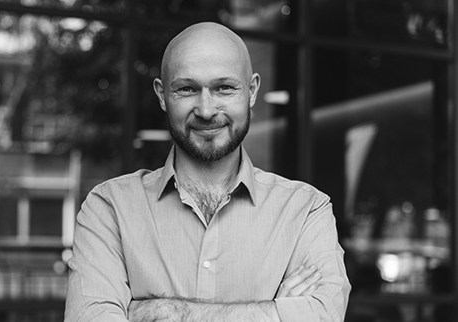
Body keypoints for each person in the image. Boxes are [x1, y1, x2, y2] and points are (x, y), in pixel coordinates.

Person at [64, 22, 350, 322]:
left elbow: (322, 316)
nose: (206, 110)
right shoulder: (108, 209)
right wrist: (277, 312)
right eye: (187, 89)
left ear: (251, 91)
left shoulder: (306, 210)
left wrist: (163, 312)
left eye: (224, 88)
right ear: (162, 95)